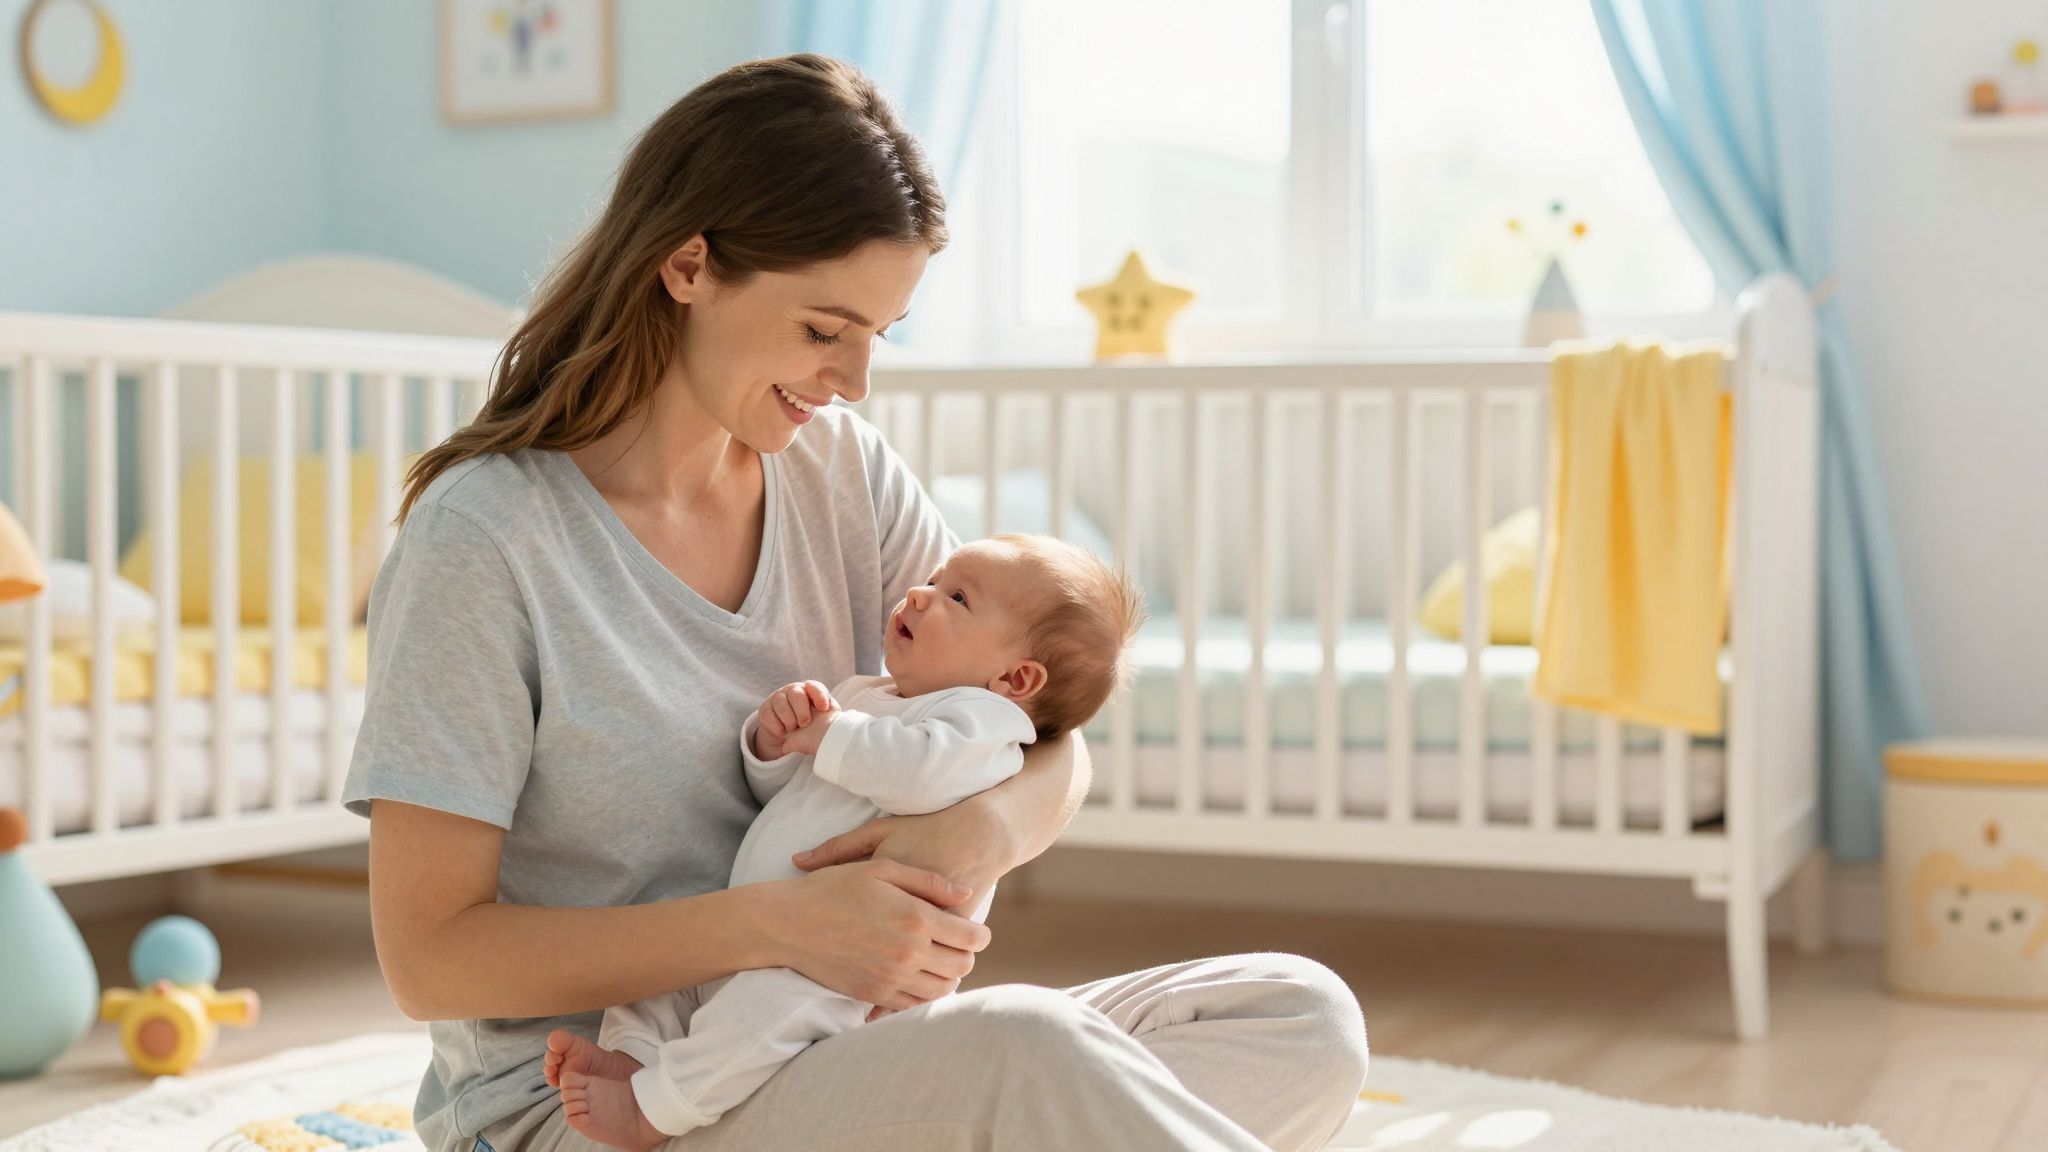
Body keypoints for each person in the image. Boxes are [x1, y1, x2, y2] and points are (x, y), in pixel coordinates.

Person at [341, 52, 1368, 1152]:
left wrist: (974, 835)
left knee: (1296, 1015)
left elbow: (1043, 740)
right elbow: (429, 960)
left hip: (829, 1058)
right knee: (1024, 1051)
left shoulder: (840, 472)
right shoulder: (484, 541)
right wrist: (779, 927)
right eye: (823, 330)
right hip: (604, 1101)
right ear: (688, 265)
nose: (852, 380)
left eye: (879, 335)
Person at [548, 535, 1145, 1149]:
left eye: (956, 597)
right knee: (657, 981)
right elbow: (795, 796)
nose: (921, 592)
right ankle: (636, 1058)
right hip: (759, 925)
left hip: (836, 972)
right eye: (937, 578)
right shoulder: (875, 696)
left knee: (761, 1017)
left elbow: (916, 775)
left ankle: (659, 1109)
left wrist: (831, 733)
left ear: (1015, 678)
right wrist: (775, 747)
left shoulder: (983, 726)